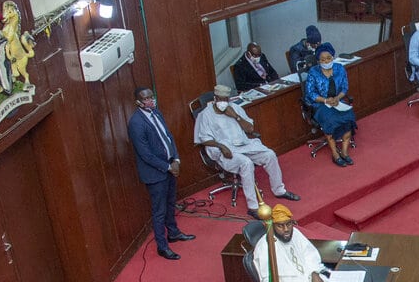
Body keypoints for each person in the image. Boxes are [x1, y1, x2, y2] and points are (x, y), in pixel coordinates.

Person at [193, 85, 299, 217]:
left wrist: (235, 116)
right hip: (224, 150)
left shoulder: (235, 108)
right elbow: (203, 139)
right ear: (215, 99)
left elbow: (250, 129)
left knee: (270, 155)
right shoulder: (205, 115)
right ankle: (253, 207)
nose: (223, 102)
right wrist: (221, 146)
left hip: (244, 145)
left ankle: (279, 190)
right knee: (246, 163)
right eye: (220, 99)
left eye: (226, 99)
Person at [126, 87, 194, 260]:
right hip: (155, 173)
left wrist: (176, 159)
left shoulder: (157, 113)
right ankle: (162, 247)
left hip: (170, 166)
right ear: (138, 102)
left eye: (152, 96)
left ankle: (173, 233)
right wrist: (167, 166)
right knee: (159, 211)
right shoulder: (136, 123)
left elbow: (168, 137)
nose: (151, 100)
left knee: (171, 203)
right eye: (146, 98)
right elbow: (145, 154)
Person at [253, 204, 328, 282]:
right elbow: (267, 280)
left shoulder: (295, 234)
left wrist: (314, 273)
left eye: (289, 224)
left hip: (306, 278)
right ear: (272, 226)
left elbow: (309, 253)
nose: (286, 229)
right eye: (280, 226)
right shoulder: (265, 247)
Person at [302, 42, 358, 165]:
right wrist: (326, 100)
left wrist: (338, 98)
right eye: (323, 59)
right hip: (320, 104)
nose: (326, 61)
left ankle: (344, 152)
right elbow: (311, 93)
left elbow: (344, 87)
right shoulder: (313, 72)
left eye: (328, 58)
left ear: (333, 57)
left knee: (349, 117)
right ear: (318, 61)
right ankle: (335, 154)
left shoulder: (339, 68)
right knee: (330, 121)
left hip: (337, 101)